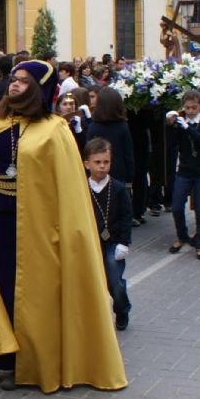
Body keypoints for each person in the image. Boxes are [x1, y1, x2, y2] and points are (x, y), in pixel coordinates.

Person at [0, 59, 127, 393]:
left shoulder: (55, 130)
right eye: (13, 80)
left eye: (22, 81)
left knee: (33, 294)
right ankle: (7, 359)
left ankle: (35, 360)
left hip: (39, 227)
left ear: (38, 89)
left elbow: (67, 188)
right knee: (2, 288)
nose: (14, 85)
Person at [83, 137, 132, 331]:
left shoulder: (118, 188)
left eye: (106, 162)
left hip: (113, 243)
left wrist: (124, 242)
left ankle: (122, 309)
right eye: (97, 162)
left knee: (115, 282)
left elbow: (126, 216)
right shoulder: (82, 187)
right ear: (87, 164)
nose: (102, 166)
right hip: (90, 243)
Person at [166, 90, 200, 260]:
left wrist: (189, 129)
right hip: (185, 170)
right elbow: (172, 144)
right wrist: (171, 125)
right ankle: (182, 236)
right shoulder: (181, 122)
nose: (191, 111)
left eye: (194, 107)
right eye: (187, 108)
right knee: (177, 206)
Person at [86, 87, 134, 186]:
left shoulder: (93, 127)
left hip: (96, 174)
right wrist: (130, 176)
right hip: (119, 175)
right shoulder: (122, 127)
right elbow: (128, 154)